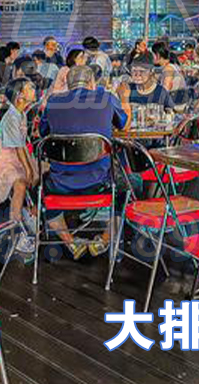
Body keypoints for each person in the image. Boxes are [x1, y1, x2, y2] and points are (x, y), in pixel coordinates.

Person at [40, 66, 130, 259]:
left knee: (40, 188)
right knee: (128, 186)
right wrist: (124, 98)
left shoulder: (53, 101)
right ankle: (104, 240)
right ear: (91, 83)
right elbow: (123, 124)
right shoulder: (106, 98)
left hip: (59, 184)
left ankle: (69, 241)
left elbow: (43, 132)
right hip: (99, 183)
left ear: (69, 84)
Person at [0, 77, 38, 252]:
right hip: (5, 159)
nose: (34, 90)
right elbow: (18, 147)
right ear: (19, 96)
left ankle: (29, 213)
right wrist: (28, 169)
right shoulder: (11, 117)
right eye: (30, 88)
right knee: (20, 185)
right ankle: (16, 231)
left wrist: (30, 168)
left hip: (18, 156)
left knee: (41, 172)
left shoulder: (21, 113)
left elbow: (22, 146)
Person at [152, 41, 188, 109]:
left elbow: (166, 89)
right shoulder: (172, 65)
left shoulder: (168, 68)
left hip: (176, 107)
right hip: (179, 103)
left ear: (158, 55)